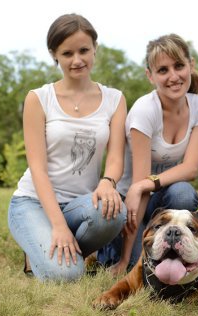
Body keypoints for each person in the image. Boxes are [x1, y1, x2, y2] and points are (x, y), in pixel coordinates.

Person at [7, 13, 127, 282]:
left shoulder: (114, 99)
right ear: (55, 55)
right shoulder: (39, 98)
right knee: (66, 276)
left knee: (115, 210)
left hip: (81, 204)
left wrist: (108, 182)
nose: (77, 60)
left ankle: (58, 249)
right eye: (67, 53)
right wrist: (58, 226)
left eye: (84, 50)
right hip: (33, 202)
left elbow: (116, 157)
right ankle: (44, 248)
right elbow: (37, 169)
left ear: (95, 48)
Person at [97, 34, 198, 275]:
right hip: (130, 205)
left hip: (161, 202)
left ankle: (173, 249)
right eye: (163, 70)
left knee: (183, 193)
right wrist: (127, 260)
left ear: (191, 65)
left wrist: (147, 184)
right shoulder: (144, 110)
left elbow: (191, 168)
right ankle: (114, 252)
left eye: (179, 66)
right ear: (150, 76)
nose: (173, 76)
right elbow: (139, 188)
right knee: (136, 266)